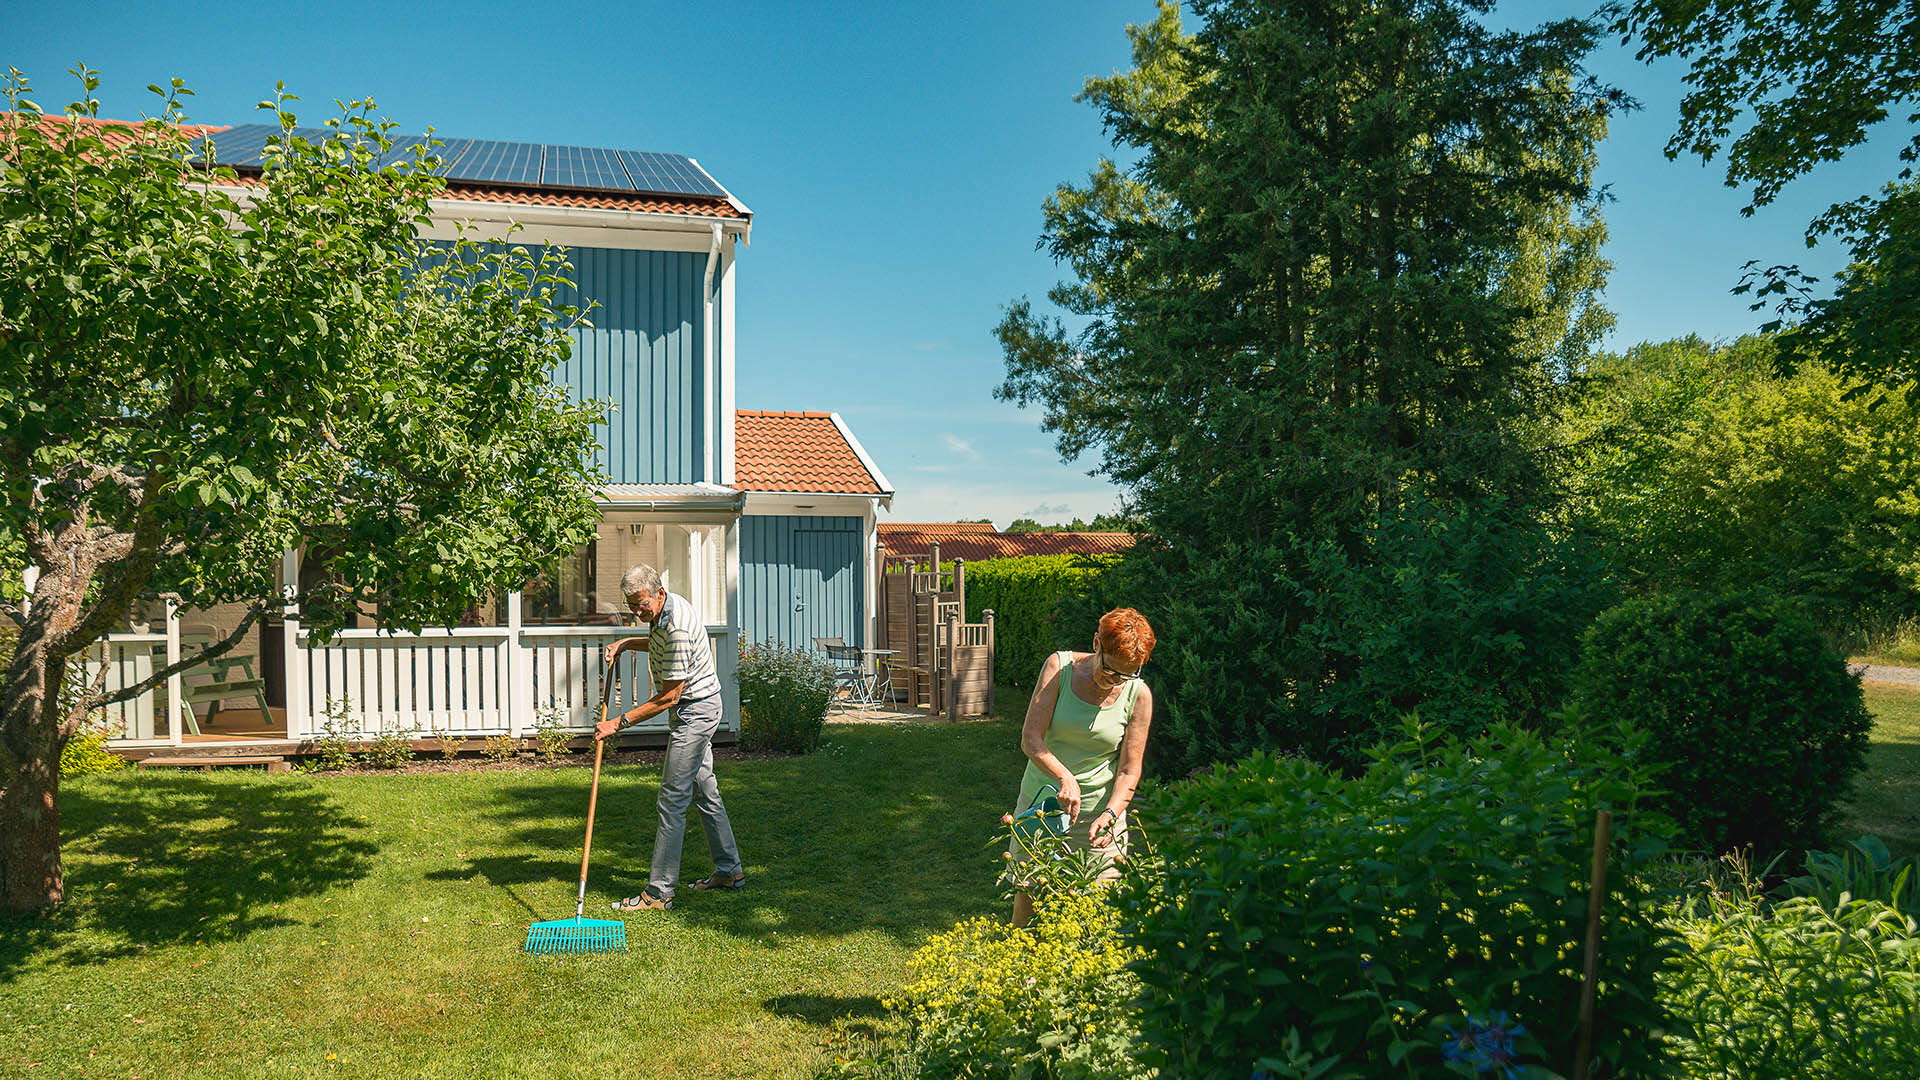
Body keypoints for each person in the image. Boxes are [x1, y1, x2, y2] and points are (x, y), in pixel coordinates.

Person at [595, 564, 744, 912]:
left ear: (658, 593)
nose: (636, 611)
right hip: (700, 706)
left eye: (641, 603)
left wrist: (617, 724)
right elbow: (655, 640)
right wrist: (627, 643)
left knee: (672, 798)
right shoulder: (666, 610)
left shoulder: (675, 625)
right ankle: (729, 870)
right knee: (705, 791)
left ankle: (659, 893)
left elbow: (668, 697)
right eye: (631, 605)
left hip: (694, 712)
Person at [1010, 607, 1156, 927]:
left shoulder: (1137, 694)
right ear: (1096, 644)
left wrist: (1111, 814)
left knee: (1094, 919)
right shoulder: (1059, 668)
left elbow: (1130, 770)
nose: (1115, 680)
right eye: (1110, 670)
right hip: (1043, 808)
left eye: (1127, 674)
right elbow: (1031, 738)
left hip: (1099, 824)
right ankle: (1024, 976)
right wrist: (1065, 777)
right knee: (1030, 905)